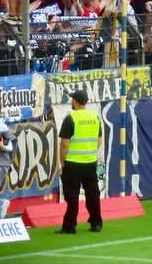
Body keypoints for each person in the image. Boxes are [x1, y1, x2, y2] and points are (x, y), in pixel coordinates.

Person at [56, 88, 102, 234]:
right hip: (90, 162)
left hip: (73, 163)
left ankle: (70, 225)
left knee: (72, 196)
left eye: (72, 99)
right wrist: (90, 151)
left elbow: (64, 144)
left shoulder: (71, 119)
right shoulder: (95, 118)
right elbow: (99, 140)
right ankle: (96, 223)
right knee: (93, 195)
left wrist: (61, 162)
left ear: (75, 102)